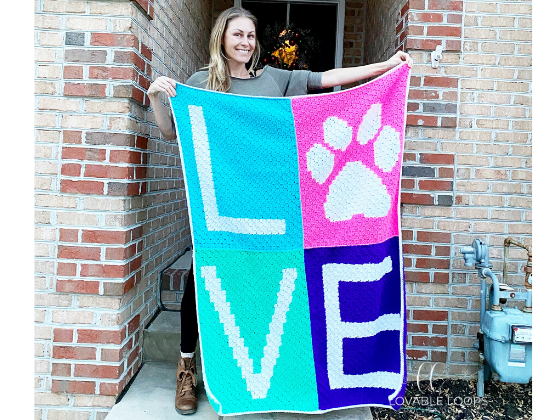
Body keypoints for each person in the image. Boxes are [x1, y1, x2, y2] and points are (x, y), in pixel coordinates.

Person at [147, 6, 413, 415]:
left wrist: (386, 66)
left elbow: (328, 81)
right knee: (203, 278)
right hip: (222, 201)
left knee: (269, 281)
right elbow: (171, 133)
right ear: (222, 37)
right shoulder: (201, 84)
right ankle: (187, 369)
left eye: (251, 36)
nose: (245, 42)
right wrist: (156, 97)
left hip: (273, 197)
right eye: (238, 35)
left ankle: (274, 370)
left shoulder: (276, 79)